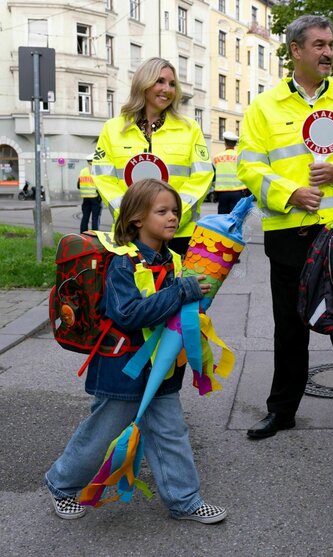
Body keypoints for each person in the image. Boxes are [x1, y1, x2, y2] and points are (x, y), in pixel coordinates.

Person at [238, 15, 333, 445]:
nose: (328, 53)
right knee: (289, 328)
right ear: (296, 50)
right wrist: (290, 193)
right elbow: (249, 165)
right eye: (319, 45)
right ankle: (281, 411)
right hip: (290, 233)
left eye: (331, 45)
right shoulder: (265, 107)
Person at [44, 178, 226, 524]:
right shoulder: (122, 263)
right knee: (102, 434)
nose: (173, 217)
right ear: (137, 219)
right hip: (121, 367)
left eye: (175, 211)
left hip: (162, 368)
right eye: (162, 211)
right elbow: (127, 314)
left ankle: (184, 501)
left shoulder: (174, 260)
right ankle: (62, 485)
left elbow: (178, 312)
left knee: (171, 433)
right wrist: (181, 292)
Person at [92, 57, 213, 255]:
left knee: (177, 277)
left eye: (172, 84)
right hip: (130, 234)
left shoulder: (190, 128)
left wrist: (173, 216)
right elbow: (104, 179)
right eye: (160, 81)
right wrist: (132, 218)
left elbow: (202, 178)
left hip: (178, 234)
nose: (167, 89)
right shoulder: (113, 128)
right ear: (143, 83)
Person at [212, 131, 248, 214]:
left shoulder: (216, 158)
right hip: (237, 191)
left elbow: (213, 175)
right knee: (235, 216)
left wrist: (215, 187)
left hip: (222, 192)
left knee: (223, 216)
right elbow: (245, 173)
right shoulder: (240, 157)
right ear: (235, 144)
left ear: (225, 143)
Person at [78, 153, 102, 233]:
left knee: (85, 217)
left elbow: (78, 185)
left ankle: (83, 233)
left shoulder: (82, 171)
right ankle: (95, 234)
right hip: (95, 197)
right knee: (95, 218)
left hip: (85, 198)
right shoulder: (97, 171)